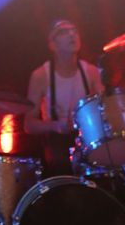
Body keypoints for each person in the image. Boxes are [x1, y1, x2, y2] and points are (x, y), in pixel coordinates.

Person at [24, 19, 103, 175]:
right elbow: (29, 125)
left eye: (74, 31)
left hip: (88, 138)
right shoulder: (40, 75)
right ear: (52, 44)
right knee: (59, 162)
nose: (72, 34)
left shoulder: (91, 71)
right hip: (57, 143)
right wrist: (54, 125)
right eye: (63, 32)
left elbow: (103, 108)